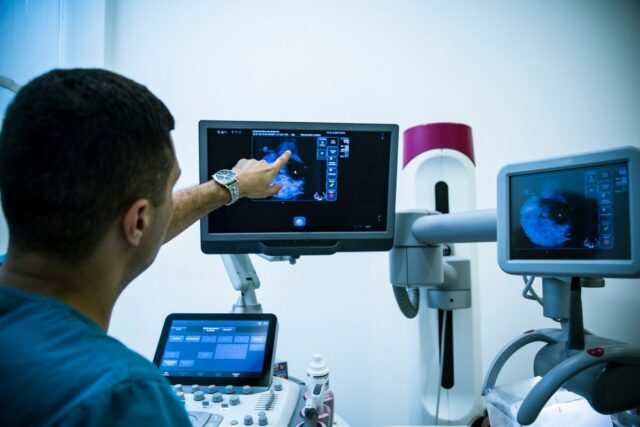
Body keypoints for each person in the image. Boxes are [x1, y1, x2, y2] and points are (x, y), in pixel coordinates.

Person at [0, 68, 291, 426]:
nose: (171, 202)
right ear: (137, 221)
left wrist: (229, 186)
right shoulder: (123, 398)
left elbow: (139, 221)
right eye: (170, 190)